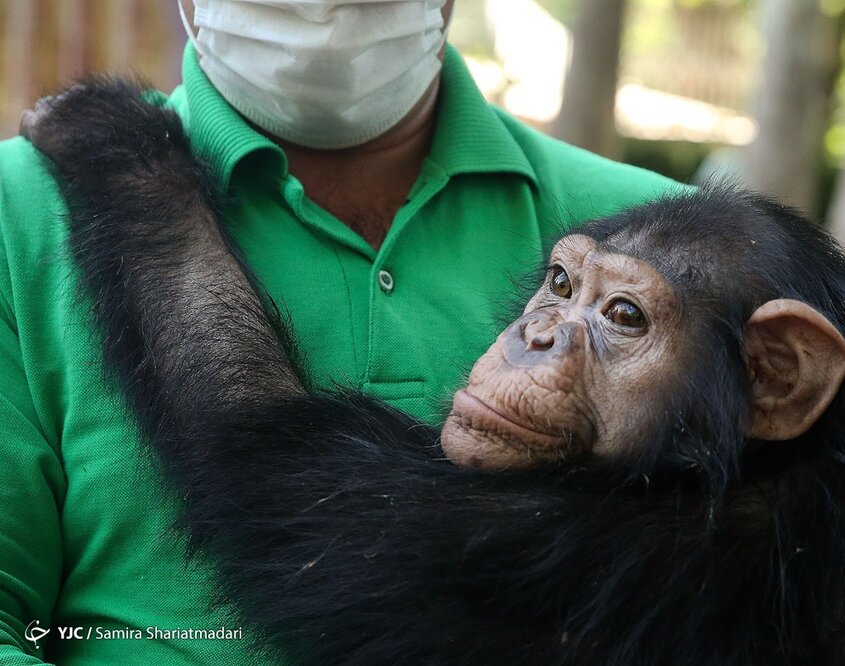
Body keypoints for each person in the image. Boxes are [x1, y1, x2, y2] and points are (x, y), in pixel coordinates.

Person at [0, 1, 686, 663]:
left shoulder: (666, 242)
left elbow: (282, 493)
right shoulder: (19, 210)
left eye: (620, 316)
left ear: (781, 378)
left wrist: (142, 193)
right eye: (558, 286)